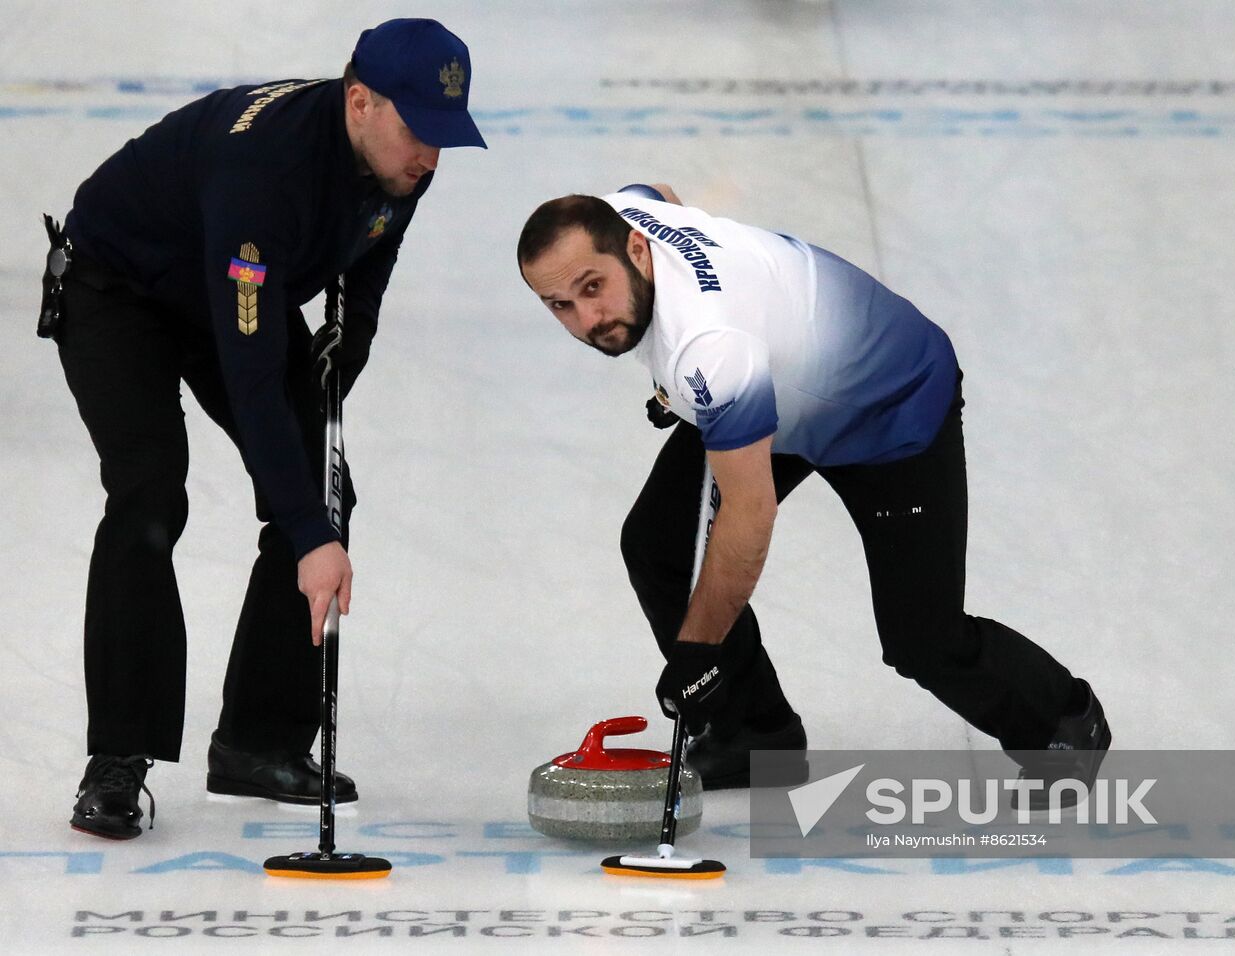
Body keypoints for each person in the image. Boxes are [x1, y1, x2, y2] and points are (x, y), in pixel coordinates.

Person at [516, 184, 1110, 798]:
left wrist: (697, 652)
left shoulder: (710, 345)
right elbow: (659, 191)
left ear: (638, 252)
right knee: (657, 543)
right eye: (559, 304)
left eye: (593, 287)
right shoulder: (630, 214)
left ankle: (1063, 723)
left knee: (923, 641)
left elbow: (748, 515)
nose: (587, 320)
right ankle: (754, 735)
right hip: (773, 386)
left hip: (890, 406)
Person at [46, 18, 487, 839]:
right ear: (360, 102)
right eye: (418, 131)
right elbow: (249, 373)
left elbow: (366, 272)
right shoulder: (265, 170)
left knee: (321, 493)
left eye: (445, 137)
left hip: (233, 295)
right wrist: (310, 533)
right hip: (121, 291)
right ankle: (118, 758)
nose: (430, 157)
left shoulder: (403, 166)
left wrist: (339, 361)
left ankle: (257, 741)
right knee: (150, 494)